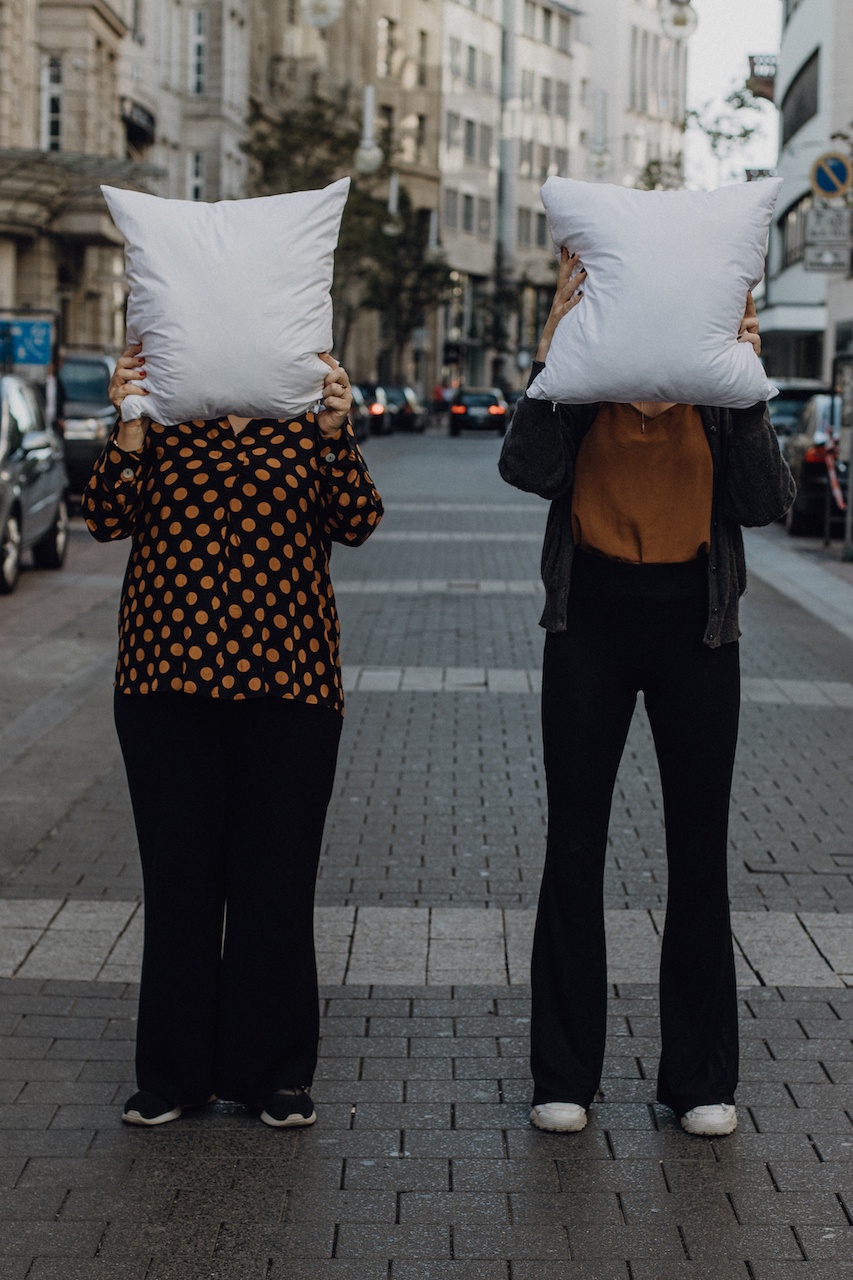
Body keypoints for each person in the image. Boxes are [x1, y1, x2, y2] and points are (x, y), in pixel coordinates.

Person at [499, 249, 795, 1138]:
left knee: (698, 849)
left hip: (696, 625)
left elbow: (763, 500)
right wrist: (555, 357)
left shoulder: (711, 386)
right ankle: (564, 1076)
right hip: (589, 617)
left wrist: (743, 381)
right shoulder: (587, 378)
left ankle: (698, 1080)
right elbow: (525, 470)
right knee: (574, 844)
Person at [83, 344, 383, 1128]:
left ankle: (274, 1074)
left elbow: (357, 521)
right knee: (180, 884)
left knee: (274, 885)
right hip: (164, 683)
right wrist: (130, 430)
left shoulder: (301, 424)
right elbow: (106, 519)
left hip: (289, 686)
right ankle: (173, 1076)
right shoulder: (169, 421)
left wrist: (332, 429)